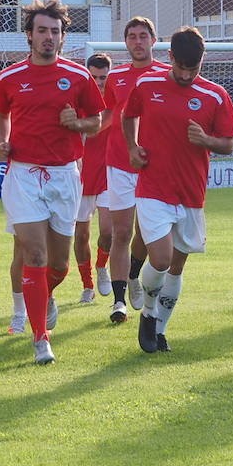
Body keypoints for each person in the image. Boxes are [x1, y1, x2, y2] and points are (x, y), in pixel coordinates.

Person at [0, 0, 105, 364]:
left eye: (55, 32)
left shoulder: (78, 76)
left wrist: (77, 124)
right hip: (24, 175)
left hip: (64, 176)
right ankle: (41, 339)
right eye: (42, 31)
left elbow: (97, 121)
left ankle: (46, 294)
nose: (49, 37)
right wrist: (0, 140)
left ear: (61, 37)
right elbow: (1, 115)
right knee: (34, 254)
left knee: (58, 266)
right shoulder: (9, 77)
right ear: (29, 35)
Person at [123, 27, 233, 352]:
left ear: (203, 61)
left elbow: (229, 143)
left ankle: (160, 330)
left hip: (191, 193)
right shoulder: (147, 84)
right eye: (182, 67)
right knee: (160, 258)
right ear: (170, 57)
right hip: (153, 187)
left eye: (194, 68)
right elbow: (128, 115)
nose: (187, 75)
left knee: (177, 266)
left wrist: (207, 141)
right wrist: (132, 148)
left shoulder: (216, 95)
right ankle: (148, 314)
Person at [102, 17, 167, 324]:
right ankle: (118, 302)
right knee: (121, 232)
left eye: (143, 36)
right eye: (132, 37)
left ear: (154, 40)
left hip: (155, 166)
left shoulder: (168, 74)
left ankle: (133, 275)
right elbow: (105, 115)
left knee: (146, 233)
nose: (138, 42)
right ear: (125, 42)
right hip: (119, 163)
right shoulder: (115, 78)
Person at [75, 52, 113, 305]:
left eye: (103, 77)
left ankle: (102, 267)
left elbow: (98, 125)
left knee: (109, 232)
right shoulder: (77, 99)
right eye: (94, 77)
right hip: (80, 177)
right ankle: (87, 285)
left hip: (109, 174)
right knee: (81, 236)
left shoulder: (114, 100)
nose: (98, 82)